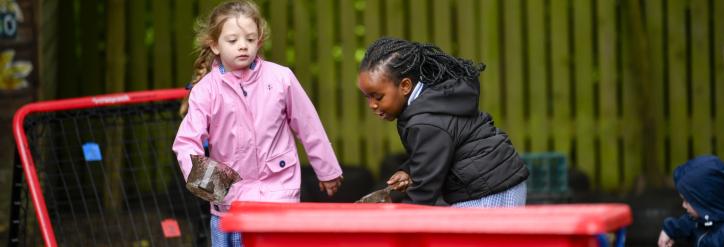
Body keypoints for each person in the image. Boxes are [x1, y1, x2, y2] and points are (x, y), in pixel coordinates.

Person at [172, 1, 343, 245]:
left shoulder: (281, 78)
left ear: (259, 40)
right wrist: (215, 188)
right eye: (232, 40)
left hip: (278, 193)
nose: (243, 46)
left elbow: (308, 125)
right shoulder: (205, 91)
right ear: (215, 45)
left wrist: (327, 170)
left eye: (250, 39)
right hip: (230, 203)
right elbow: (186, 145)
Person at [356, 37, 529, 207]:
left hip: (487, 191)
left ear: (405, 86)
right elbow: (437, 150)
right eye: (367, 97)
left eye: (378, 97)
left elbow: (424, 190)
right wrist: (408, 170)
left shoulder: (426, 121)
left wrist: (404, 221)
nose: (372, 105)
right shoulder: (435, 100)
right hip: (499, 182)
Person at [657, 156, 724, 247]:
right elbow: (681, 225)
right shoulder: (699, 219)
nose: (683, 205)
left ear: (705, 202)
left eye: (687, 201)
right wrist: (667, 231)